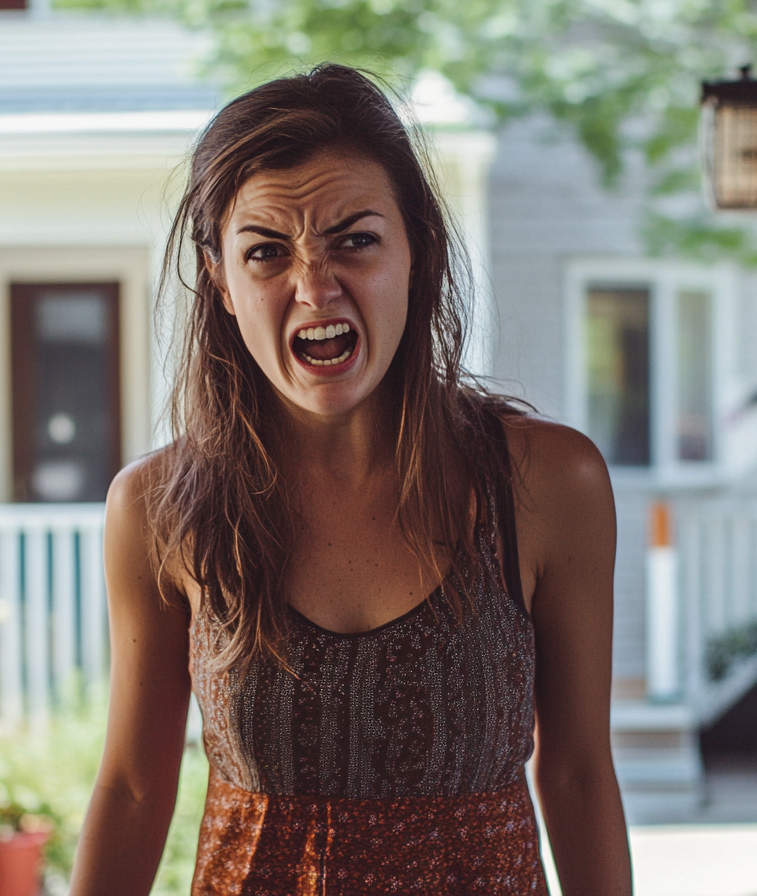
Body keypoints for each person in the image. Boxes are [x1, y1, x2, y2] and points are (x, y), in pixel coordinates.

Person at [70, 64, 632, 895]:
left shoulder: (548, 484)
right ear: (220, 279)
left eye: (354, 240)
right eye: (266, 252)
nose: (314, 285)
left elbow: (579, 776)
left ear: (419, 249)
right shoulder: (160, 509)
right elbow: (133, 789)